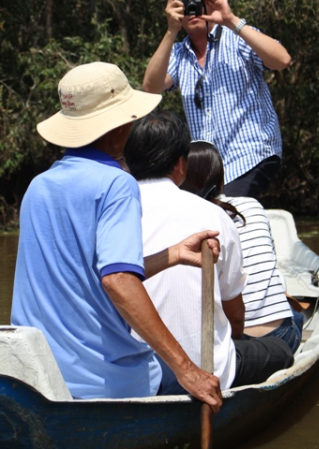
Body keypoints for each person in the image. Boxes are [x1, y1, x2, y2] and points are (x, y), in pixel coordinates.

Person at [10, 62, 223, 412]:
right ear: (121, 124)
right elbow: (118, 280)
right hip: (101, 382)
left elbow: (91, 278)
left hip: (36, 376)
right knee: (202, 378)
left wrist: (173, 254)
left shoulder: (39, 186)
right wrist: (187, 371)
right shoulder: (116, 184)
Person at [124, 110, 294, 390]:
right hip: (206, 368)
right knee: (280, 350)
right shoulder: (212, 215)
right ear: (181, 165)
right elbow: (235, 315)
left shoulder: (111, 214)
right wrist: (233, 339)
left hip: (136, 372)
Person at [143, 0, 291, 200]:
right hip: (207, 166)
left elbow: (282, 60)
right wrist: (170, 30)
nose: (193, 11)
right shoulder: (178, 53)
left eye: (199, 3)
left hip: (251, 154)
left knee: (225, 208)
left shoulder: (238, 38)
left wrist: (230, 19)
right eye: (185, 6)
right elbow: (151, 88)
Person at [181, 140, 304, 353]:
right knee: (298, 316)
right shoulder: (252, 206)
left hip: (232, 335)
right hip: (278, 335)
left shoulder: (186, 220)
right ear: (222, 178)